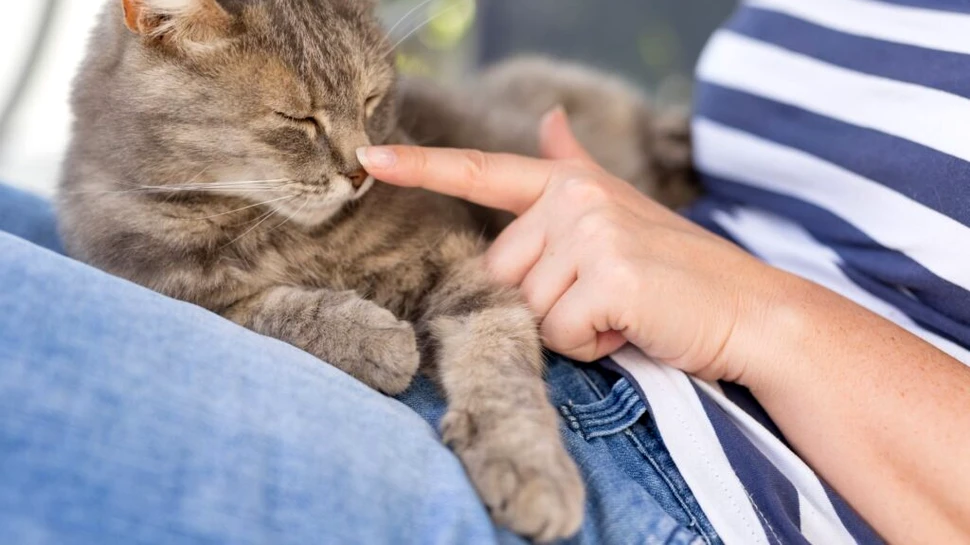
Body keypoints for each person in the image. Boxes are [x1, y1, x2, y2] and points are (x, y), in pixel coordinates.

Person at [2, 1, 969, 544]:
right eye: (303, 127)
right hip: (607, 244)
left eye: (371, 104)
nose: (352, 165)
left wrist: (756, 314)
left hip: (686, 457)